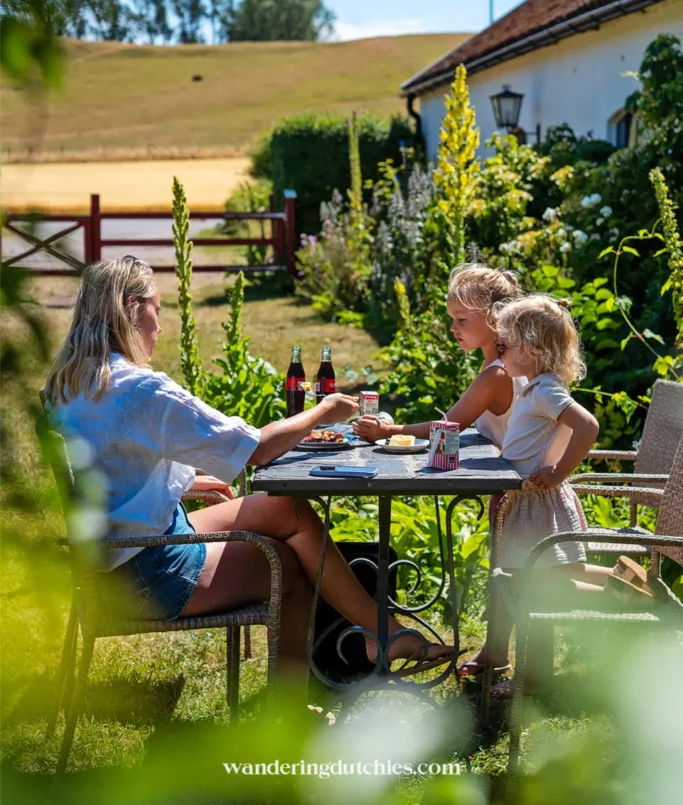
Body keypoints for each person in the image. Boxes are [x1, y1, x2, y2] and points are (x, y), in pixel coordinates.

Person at [43, 257, 453, 680]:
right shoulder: (142, 389)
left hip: (110, 559)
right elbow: (256, 449)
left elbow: (116, 465)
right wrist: (324, 410)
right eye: (157, 311)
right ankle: (294, 706)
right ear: (132, 309)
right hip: (146, 572)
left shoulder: (66, 385)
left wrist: (189, 482)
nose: (160, 327)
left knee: (287, 510)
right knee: (284, 567)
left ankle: (381, 631)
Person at [472, 293, 652, 698]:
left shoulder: (543, 391)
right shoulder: (538, 384)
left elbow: (587, 426)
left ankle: (536, 676)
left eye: (505, 346)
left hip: (535, 503)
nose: (499, 354)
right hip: (529, 501)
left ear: (531, 351)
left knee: (534, 588)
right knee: (543, 579)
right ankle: (623, 586)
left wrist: (558, 472)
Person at [353, 264, 528, 677]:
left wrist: (391, 430)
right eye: (452, 319)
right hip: (513, 486)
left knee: (519, 578)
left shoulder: (496, 373)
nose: (453, 328)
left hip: (525, 491)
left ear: (496, 318)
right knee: (504, 573)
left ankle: (529, 673)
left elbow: (447, 428)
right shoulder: (504, 364)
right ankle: (496, 651)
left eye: (461, 320)